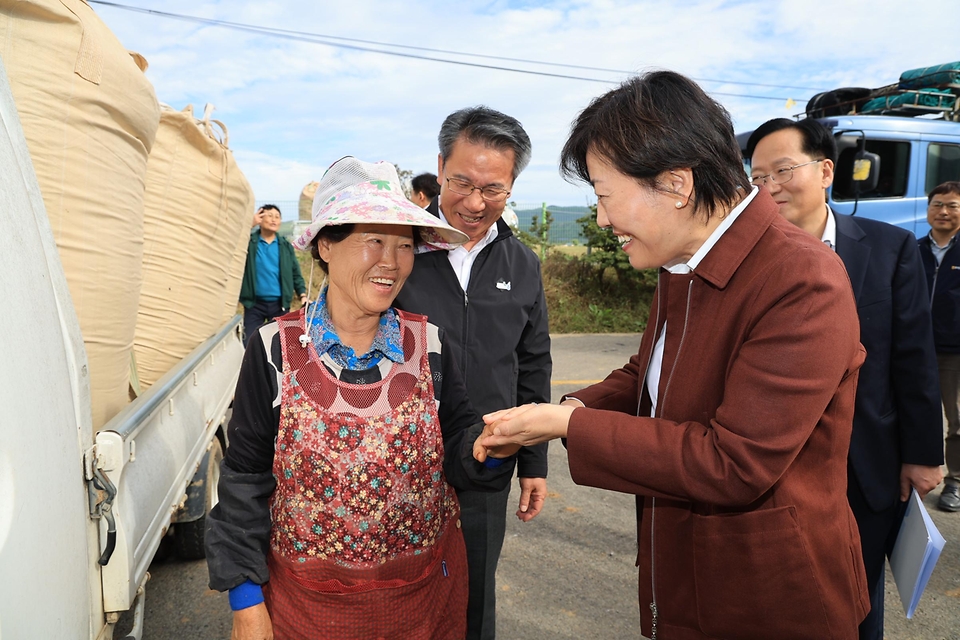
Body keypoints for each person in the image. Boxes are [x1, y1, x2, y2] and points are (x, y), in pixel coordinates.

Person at [475, 71, 870, 639]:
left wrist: (568, 424)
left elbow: (734, 462)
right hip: (683, 570)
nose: (603, 219)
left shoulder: (800, 279)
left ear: (676, 184)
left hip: (768, 596)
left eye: (606, 196)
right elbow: (648, 376)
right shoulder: (681, 264)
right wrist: (564, 408)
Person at [206, 158, 518, 640]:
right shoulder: (274, 350)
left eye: (404, 245)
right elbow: (245, 480)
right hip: (305, 614)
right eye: (374, 240)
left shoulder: (430, 346)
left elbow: (457, 456)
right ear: (326, 244)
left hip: (419, 609)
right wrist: (246, 601)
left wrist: (490, 449)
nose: (391, 262)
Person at [747, 118, 944, 640]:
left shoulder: (890, 248)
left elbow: (913, 358)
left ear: (826, 170)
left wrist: (923, 455)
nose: (769, 187)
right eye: (757, 177)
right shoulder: (747, 258)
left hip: (866, 463)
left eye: (783, 170)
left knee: (857, 597)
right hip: (774, 465)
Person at [394, 106, 550, 640]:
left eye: (494, 188)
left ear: (511, 187)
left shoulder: (522, 264)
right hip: (395, 463)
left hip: (489, 457)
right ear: (439, 167)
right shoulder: (398, 248)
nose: (475, 202)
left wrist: (534, 459)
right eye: (462, 181)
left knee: (473, 598)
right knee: (395, 595)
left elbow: (532, 365)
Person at [918, 181, 960, 512]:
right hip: (915, 348)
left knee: (955, 419)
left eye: (952, 206)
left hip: (953, 352)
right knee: (915, 412)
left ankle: (954, 482)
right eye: (937, 204)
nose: (943, 211)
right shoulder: (912, 248)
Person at [240, 204, 307, 345]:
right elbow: (234, 244)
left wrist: (302, 295)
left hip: (279, 305)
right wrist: (249, 225)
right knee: (250, 344)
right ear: (260, 218)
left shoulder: (285, 246)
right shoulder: (249, 242)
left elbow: (295, 272)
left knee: (278, 345)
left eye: (277, 217)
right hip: (254, 305)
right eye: (269, 216)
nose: (273, 220)